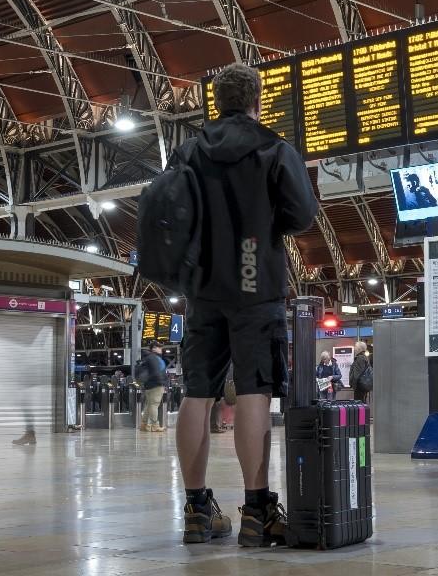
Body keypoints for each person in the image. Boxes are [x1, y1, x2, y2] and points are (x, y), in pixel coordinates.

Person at [170, 63, 317, 547]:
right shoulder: (275, 148)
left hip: (203, 287)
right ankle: (257, 511)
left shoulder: (188, 152)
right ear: (257, 100)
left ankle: (196, 510)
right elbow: (300, 217)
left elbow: (174, 215)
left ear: (217, 102)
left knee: (197, 393)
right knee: (253, 392)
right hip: (256, 285)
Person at [137, 342, 168, 432]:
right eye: (159, 347)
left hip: (149, 385)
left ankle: (144, 424)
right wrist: (162, 382)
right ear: (154, 348)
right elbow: (156, 372)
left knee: (149, 405)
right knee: (154, 405)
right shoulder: (154, 358)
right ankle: (155, 425)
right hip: (156, 385)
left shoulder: (147, 358)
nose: (161, 349)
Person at [349, 341, 373, 406]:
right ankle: (363, 416)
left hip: (359, 386)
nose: (354, 348)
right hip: (363, 386)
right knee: (362, 404)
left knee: (359, 405)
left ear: (359, 349)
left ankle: (361, 416)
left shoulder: (360, 358)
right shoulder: (364, 357)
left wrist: (354, 385)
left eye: (356, 347)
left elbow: (357, 374)